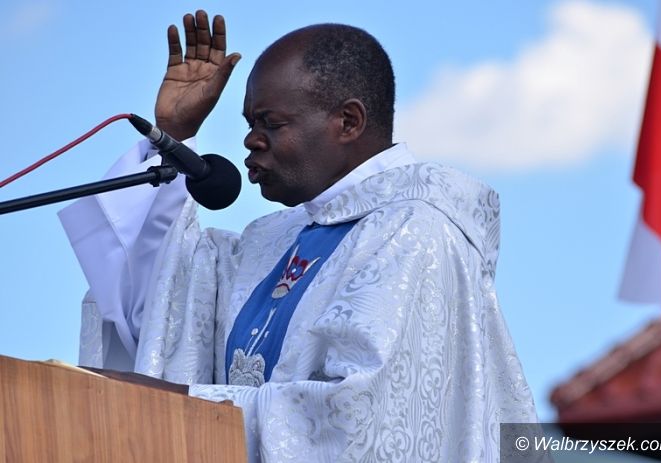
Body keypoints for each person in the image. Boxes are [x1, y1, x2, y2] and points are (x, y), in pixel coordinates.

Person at [59, 10, 538, 462]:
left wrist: (183, 404)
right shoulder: (268, 242)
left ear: (348, 122)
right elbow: (156, 297)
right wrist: (174, 137)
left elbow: (364, 423)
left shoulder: (416, 230)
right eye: (250, 123)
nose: (250, 140)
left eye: (271, 123)